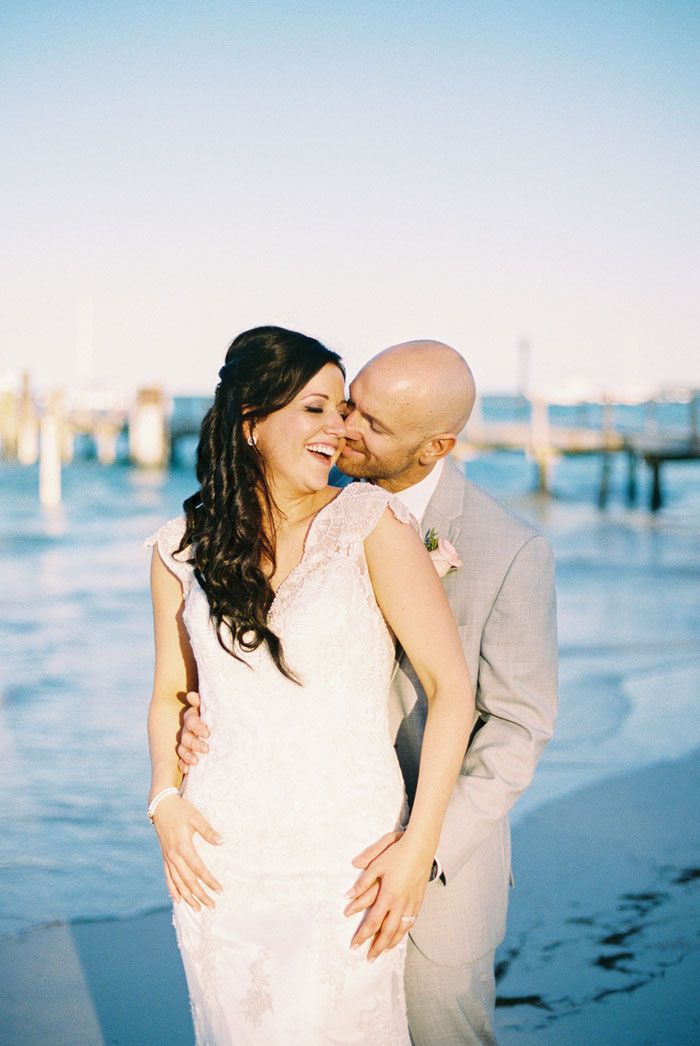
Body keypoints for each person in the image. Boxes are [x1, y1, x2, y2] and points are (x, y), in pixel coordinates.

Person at [179, 339, 558, 1045]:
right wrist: (204, 714)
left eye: (372, 426)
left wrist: (422, 847)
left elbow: (518, 728)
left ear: (434, 445)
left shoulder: (509, 549)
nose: (345, 429)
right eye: (350, 406)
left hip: (432, 867)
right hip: (302, 853)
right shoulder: (304, 504)